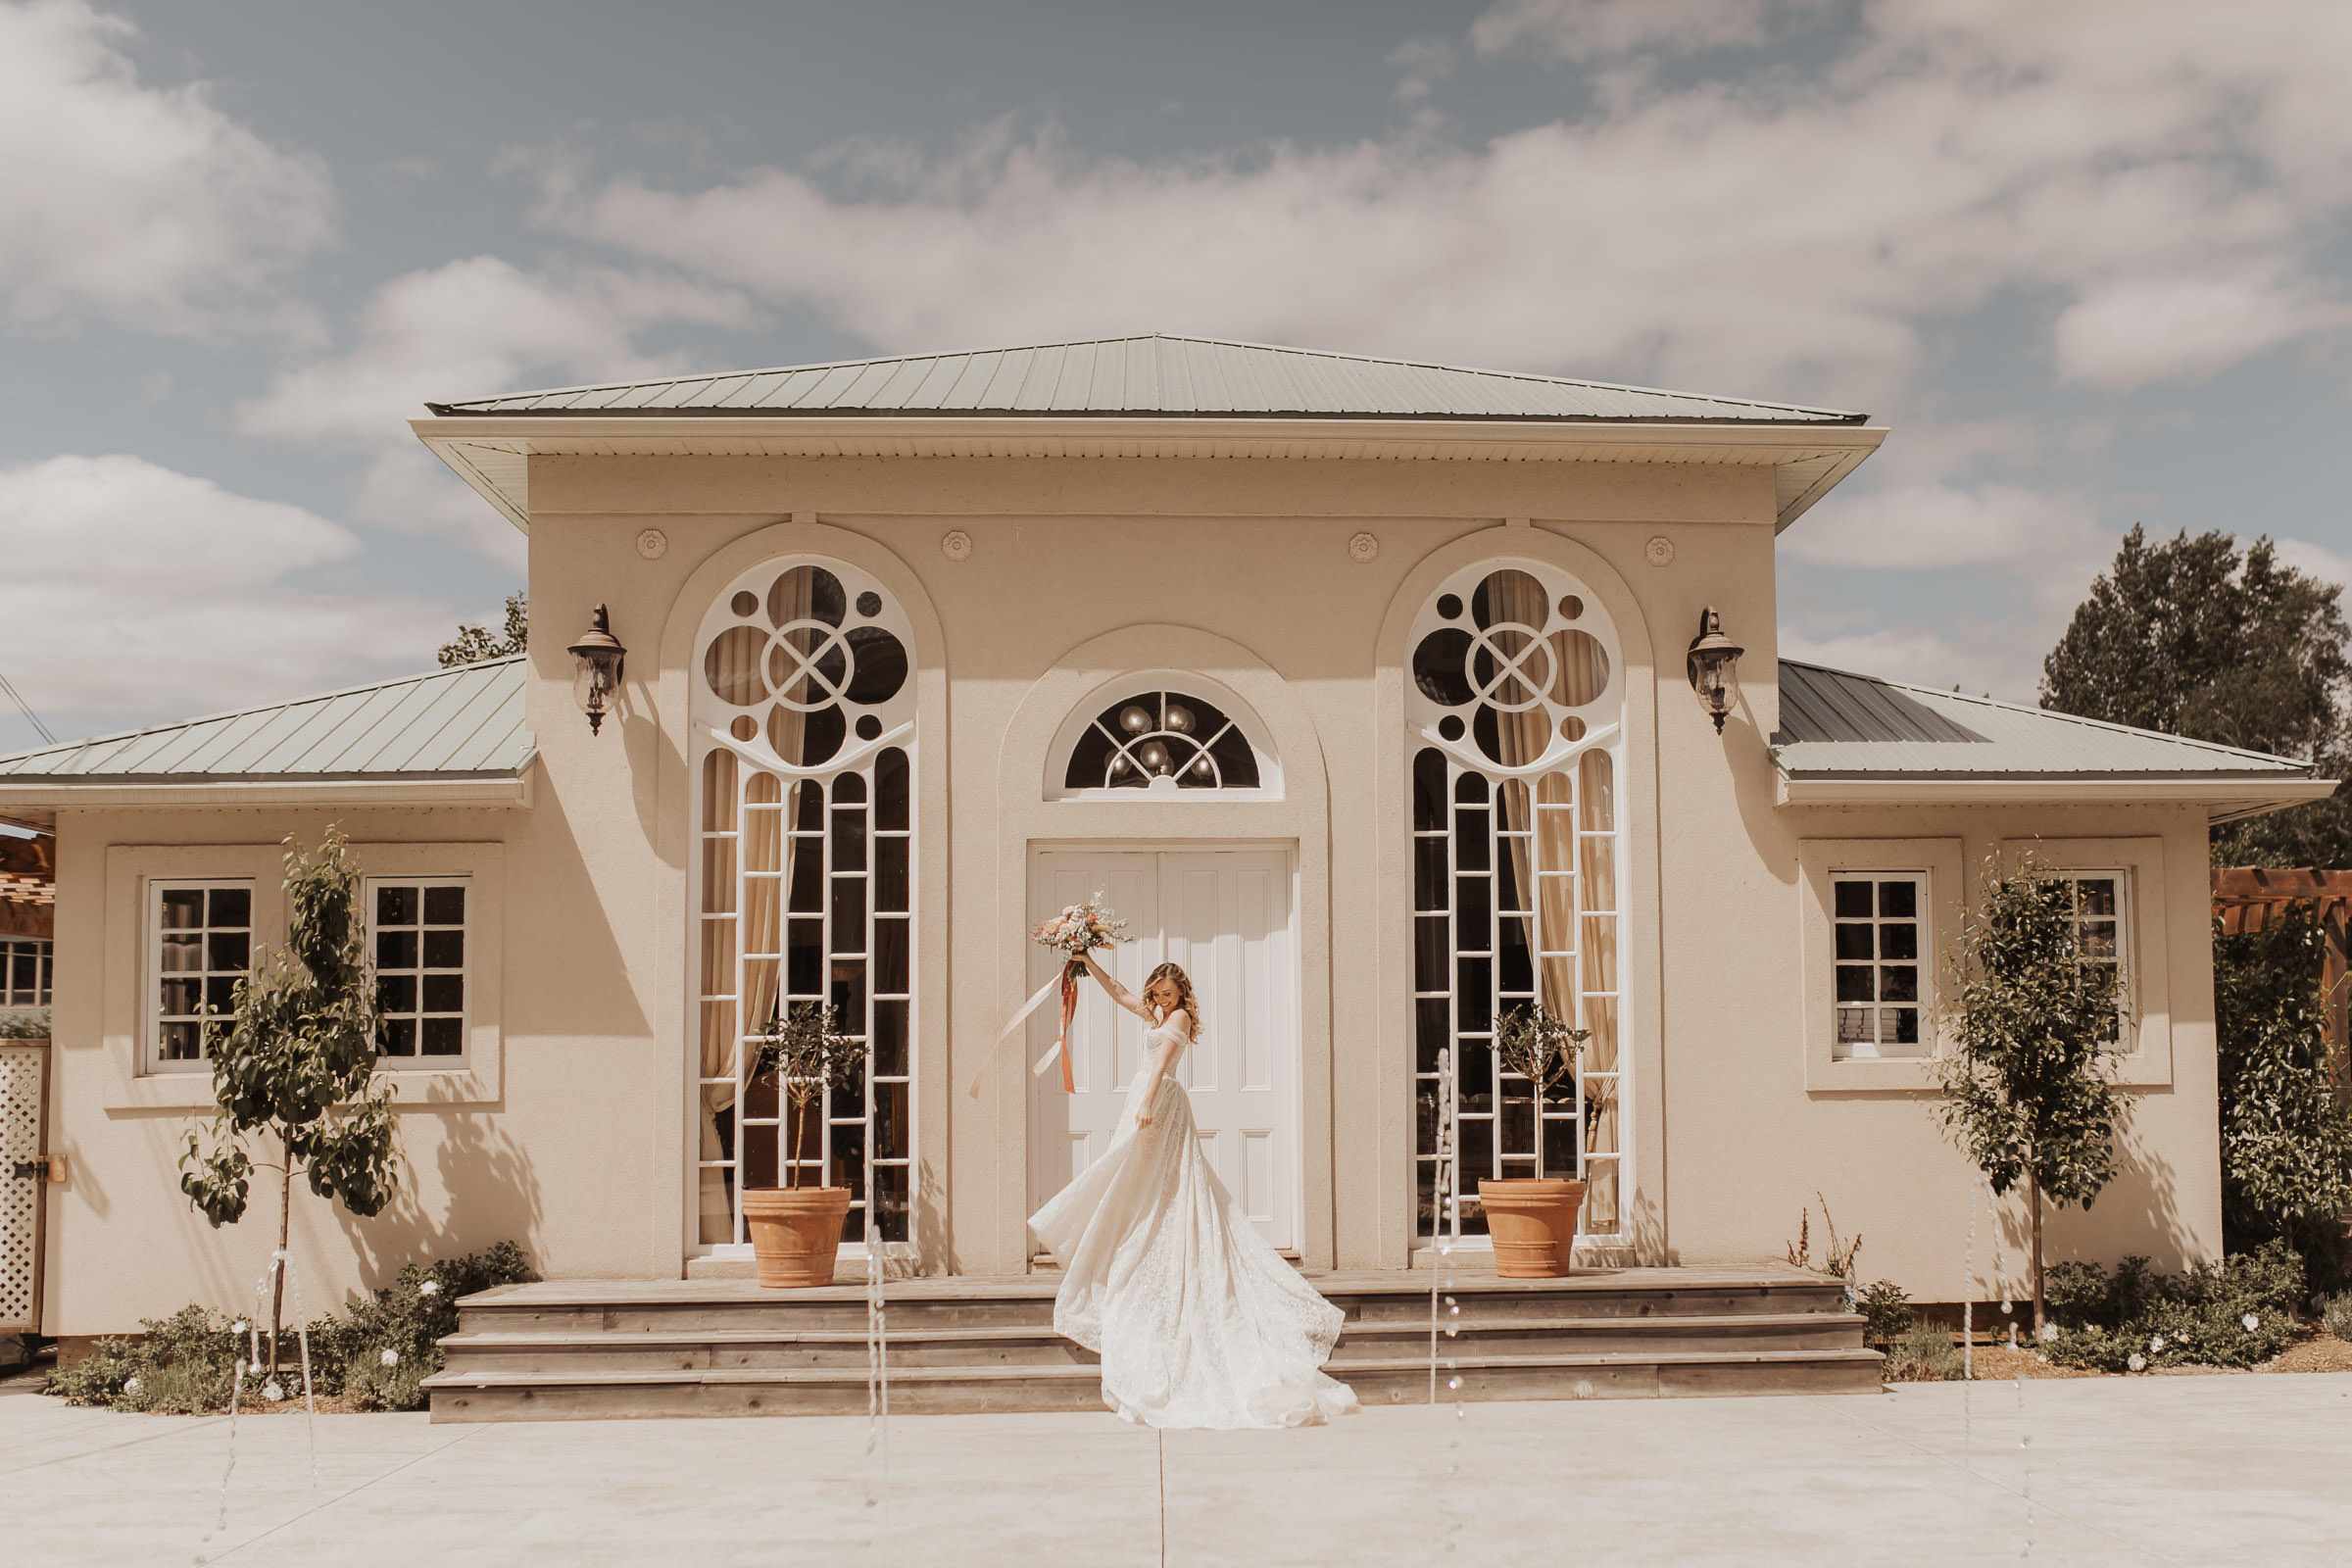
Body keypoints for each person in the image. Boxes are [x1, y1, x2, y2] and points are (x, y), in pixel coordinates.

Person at [1027, 955, 1359, 1429]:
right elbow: (1121, 992)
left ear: (1182, 994)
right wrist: (1088, 961)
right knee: (1133, 1182)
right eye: (1158, 994)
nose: (1163, 1001)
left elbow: (1161, 1062)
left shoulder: (1179, 1018)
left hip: (1158, 1102)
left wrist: (1145, 1103)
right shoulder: (1157, 1012)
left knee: (1147, 1179)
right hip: (1146, 1098)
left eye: (1169, 994)